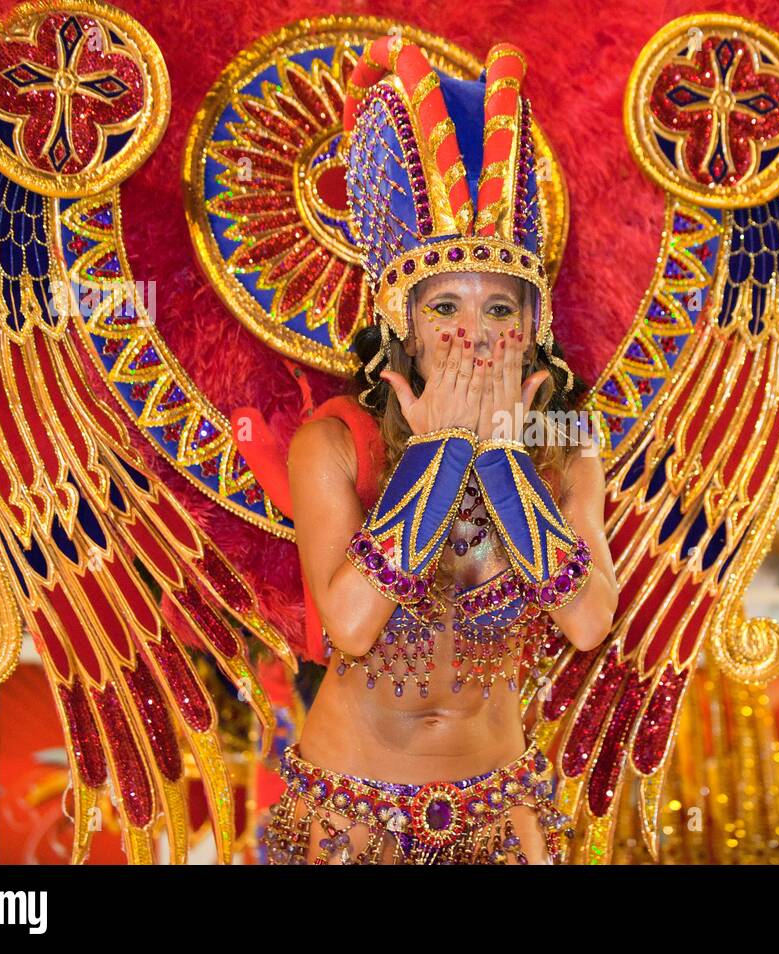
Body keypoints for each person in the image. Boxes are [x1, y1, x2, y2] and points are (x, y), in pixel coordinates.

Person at [261, 39, 617, 865]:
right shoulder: (335, 444)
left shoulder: (566, 447)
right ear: (402, 323)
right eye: (447, 304)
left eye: (503, 310)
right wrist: (439, 454)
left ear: (535, 327)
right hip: (352, 816)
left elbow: (590, 619)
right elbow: (349, 624)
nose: (475, 334)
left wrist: (497, 459)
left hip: (501, 812)